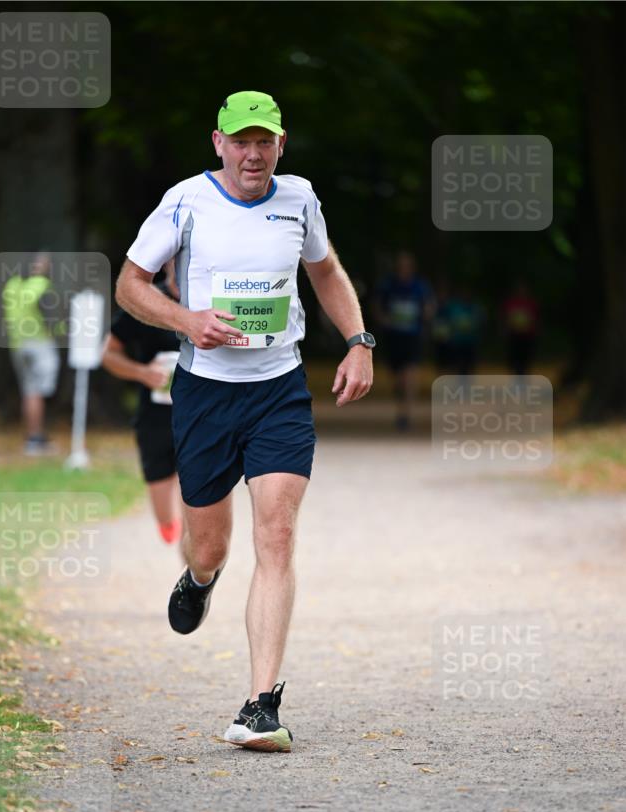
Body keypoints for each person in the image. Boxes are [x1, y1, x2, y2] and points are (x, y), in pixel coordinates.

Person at [115, 90, 374, 753]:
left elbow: (326, 271)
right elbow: (130, 285)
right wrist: (186, 321)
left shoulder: (299, 199)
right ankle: (199, 578)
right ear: (219, 143)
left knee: (278, 533)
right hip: (203, 392)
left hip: (278, 389)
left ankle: (261, 704)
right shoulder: (184, 202)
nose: (253, 153)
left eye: (265, 141)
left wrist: (357, 341)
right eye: (241, 141)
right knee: (210, 547)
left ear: (280, 145)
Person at [102, 260, 183, 548]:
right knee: (166, 516)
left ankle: (196, 574)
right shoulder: (147, 302)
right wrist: (142, 373)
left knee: (198, 511)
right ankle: (170, 526)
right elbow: (107, 355)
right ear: (167, 262)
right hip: (156, 420)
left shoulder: (214, 301)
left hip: (201, 419)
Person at [2, 251, 61, 455]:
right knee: (39, 392)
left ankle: (33, 435)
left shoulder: (13, 284)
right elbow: (51, 318)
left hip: (18, 345)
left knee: (29, 391)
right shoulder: (42, 286)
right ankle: (36, 439)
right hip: (39, 344)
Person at [375, 251, 434, 430]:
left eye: (407, 266)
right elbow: (376, 305)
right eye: (401, 266)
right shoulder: (388, 285)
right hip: (393, 337)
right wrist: (383, 318)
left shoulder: (420, 286)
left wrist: (426, 315)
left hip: (412, 336)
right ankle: (401, 401)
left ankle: (405, 414)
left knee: (409, 374)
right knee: (397, 378)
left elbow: (430, 304)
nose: (404, 269)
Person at [502, 280, 540, 382]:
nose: (521, 292)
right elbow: (506, 317)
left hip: (527, 336)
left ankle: (523, 379)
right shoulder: (511, 303)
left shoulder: (531, 303)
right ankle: (518, 379)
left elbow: (535, 319)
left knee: (526, 359)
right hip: (514, 335)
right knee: (515, 359)